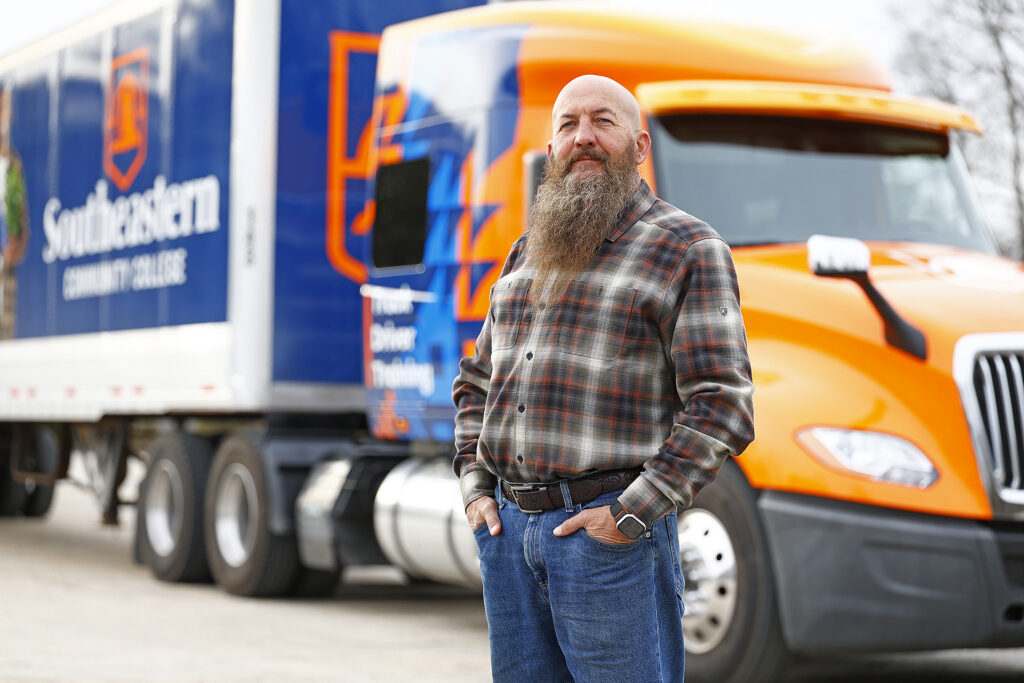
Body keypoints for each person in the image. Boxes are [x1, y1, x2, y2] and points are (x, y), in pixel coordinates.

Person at [452, 74, 755, 682]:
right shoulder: (524, 254)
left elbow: (723, 406)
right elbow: (476, 381)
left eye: (603, 122)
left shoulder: (688, 247)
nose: (582, 137)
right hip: (508, 537)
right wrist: (476, 488)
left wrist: (630, 516)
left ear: (639, 146)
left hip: (608, 544)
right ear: (551, 150)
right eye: (568, 125)